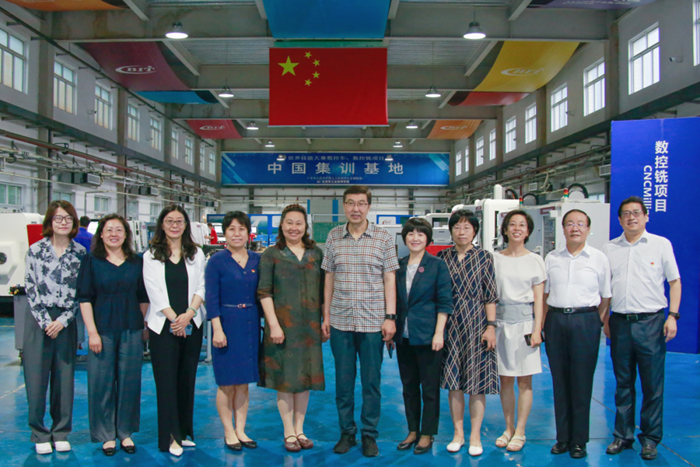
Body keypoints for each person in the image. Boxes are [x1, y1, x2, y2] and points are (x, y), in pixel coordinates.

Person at [321, 185, 399, 457]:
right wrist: (326, 316)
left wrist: (390, 317)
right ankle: (347, 432)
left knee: (371, 383)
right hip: (341, 321)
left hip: (373, 323)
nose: (356, 209)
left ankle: (369, 434)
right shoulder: (333, 236)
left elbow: (389, 278)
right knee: (343, 383)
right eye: (351, 203)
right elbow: (328, 277)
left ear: (369, 207)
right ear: (344, 206)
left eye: (361, 203)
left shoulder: (383, 237)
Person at [602, 196, 681, 461]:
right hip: (620, 323)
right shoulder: (609, 248)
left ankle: (650, 439)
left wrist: (673, 316)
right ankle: (622, 436)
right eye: (626, 213)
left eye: (636, 212)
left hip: (651, 323)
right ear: (619, 219)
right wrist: (605, 319)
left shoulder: (660, 244)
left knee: (652, 385)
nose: (631, 217)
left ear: (646, 216)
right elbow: (606, 289)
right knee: (623, 383)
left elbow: (675, 281)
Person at [77, 214, 150, 456]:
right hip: (102, 329)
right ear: (101, 234)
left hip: (130, 328)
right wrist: (92, 333)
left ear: (126, 234)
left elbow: (143, 296)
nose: (114, 234)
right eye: (109, 230)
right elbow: (84, 298)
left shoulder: (136, 261)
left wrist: (141, 324)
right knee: (101, 383)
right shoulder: (91, 261)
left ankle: (125, 432)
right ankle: (106, 435)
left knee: (129, 382)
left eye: (119, 230)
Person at [543, 209, 611, 459]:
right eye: (570, 223)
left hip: (586, 321)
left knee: (582, 383)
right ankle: (563, 438)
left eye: (580, 224)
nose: (575, 228)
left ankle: (579, 441)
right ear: (563, 229)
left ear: (588, 229)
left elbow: (606, 296)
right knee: (560, 382)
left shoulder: (599, 258)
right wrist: (544, 324)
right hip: (556, 320)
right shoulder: (552, 257)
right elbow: (545, 294)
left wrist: (595, 322)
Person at [258, 204, 325, 452]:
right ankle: (288, 431)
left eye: (299, 223)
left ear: (306, 226)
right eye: (289, 222)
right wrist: (273, 325)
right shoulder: (271, 254)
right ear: (282, 225)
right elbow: (264, 292)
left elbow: (323, 291)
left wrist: (325, 320)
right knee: (286, 380)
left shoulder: (316, 253)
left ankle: (300, 429)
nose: (294, 228)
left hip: (309, 328)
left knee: (304, 379)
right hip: (282, 328)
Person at [23, 200, 86, 454]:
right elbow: (30, 288)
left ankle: (60, 431)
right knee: (36, 379)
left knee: (64, 379)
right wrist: (45, 321)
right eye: (58, 218)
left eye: (68, 218)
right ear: (50, 221)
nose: (63, 222)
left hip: (66, 322)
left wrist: (63, 320)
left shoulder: (80, 253)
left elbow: (81, 292)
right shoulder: (35, 250)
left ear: (74, 223)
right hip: (39, 320)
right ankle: (39, 433)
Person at [143, 205, 207, 456]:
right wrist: (175, 321)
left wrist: (189, 315)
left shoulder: (196, 253)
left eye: (179, 221)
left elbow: (202, 285)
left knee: (186, 380)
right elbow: (153, 291)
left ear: (186, 225)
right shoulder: (151, 255)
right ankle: (170, 437)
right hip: (163, 328)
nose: (174, 225)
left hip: (192, 324)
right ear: (162, 224)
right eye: (169, 221)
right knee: (166, 382)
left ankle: (183, 432)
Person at [437, 210, 498, 456]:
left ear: (474, 232)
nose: (461, 232)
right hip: (450, 324)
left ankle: (475, 436)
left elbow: (490, 294)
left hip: (477, 324)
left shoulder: (484, 257)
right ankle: (458, 433)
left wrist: (491, 326)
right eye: (457, 227)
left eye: (467, 228)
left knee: (476, 383)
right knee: (454, 382)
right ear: (451, 231)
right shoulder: (443, 257)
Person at [392, 218, 452, 455]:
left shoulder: (437, 265)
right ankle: (412, 430)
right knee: (408, 387)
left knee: (429, 388)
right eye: (410, 233)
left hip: (428, 336)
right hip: (403, 337)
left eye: (420, 234)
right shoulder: (398, 265)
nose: (415, 238)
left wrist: (439, 333)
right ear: (404, 237)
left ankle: (427, 433)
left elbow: (445, 302)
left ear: (428, 239)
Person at [205, 211, 260, 451]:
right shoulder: (216, 261)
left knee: (244, 382)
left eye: (241, 229)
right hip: (226, 324)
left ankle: (241, 430)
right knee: (227, 382)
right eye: (231, 229)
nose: (237, 234)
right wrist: (217, 329)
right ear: (224, 233)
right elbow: (211, 297)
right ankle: (229, 431)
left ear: (248, 233)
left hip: (250, 323)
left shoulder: (257, 260)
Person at [492, 210, 545, 452]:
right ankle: (508, 428)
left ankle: (521, 431)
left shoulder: (535, 260)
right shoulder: (495, 259)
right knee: (505, 380)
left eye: (522, 225)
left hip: (525, 325)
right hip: (501, 324)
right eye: (512, 224)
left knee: (524, 381)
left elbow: (539, 299)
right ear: (504, 230)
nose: (516, 228)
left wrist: (537, 329)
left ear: (528, 231)